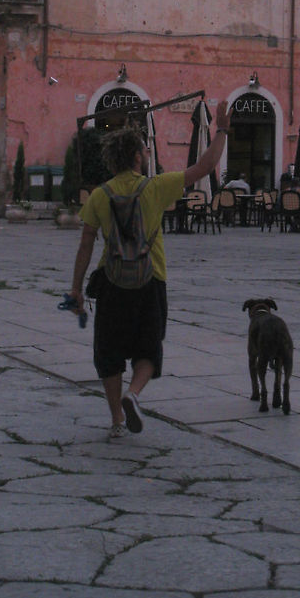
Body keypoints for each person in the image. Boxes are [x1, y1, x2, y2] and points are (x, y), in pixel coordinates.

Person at [69, 100, 231, 441]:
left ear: (113, 159)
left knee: (109, 354)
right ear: (138, 157)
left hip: (111, 283)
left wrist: (76, 289)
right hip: (151, 279)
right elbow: (205, 166)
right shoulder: (156, 188)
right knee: (148, 349)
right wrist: (223, 130)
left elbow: (85, 245)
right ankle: (135, 393)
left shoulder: (99, 196)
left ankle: (116, 419)